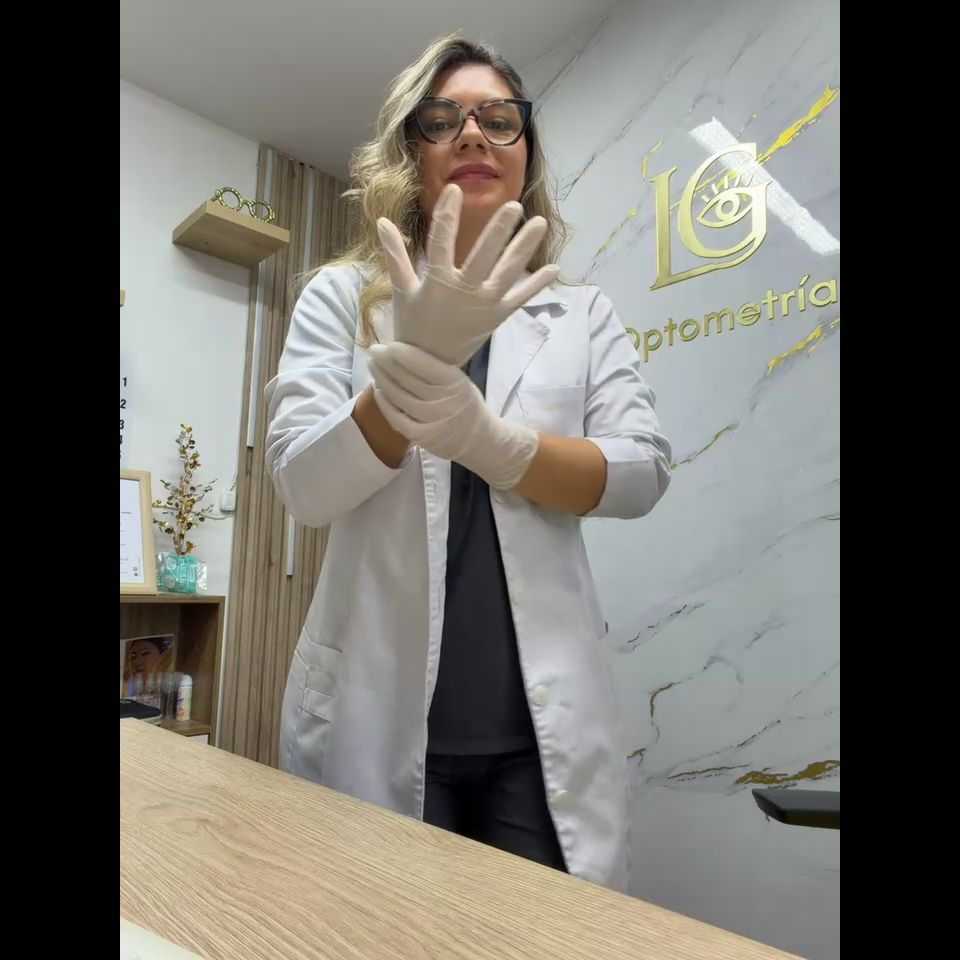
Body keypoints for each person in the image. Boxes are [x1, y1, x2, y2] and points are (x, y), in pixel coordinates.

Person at [264, 33, 671, 891]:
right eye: (443, 119)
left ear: (526, 151)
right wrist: (409, 374)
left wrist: (492, 443)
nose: (474, 134)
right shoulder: (341, 297)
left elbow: (639, 472)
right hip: (375, 711)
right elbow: (304, 487)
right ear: (411, 152)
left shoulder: (580, 313)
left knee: (544, 939)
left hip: (536, 732)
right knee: (380, 933)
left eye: (499, 118)